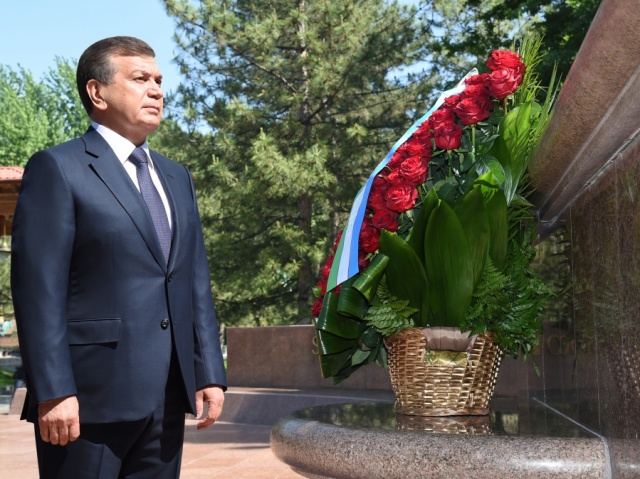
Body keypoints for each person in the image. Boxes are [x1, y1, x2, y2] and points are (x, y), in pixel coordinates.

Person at [10, 36, 227, 478]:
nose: (157, 90)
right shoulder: (58, 168)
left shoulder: (175, 176)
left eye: (160, 80)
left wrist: (209, 372)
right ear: (97, 92)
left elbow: (192, 280)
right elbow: (38, 290)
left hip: (167, 397)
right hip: (87, 402)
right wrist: (53, 390)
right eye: (140, 78)